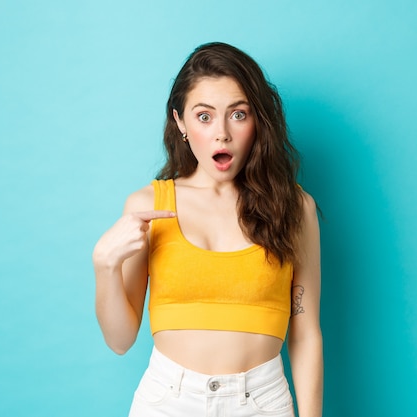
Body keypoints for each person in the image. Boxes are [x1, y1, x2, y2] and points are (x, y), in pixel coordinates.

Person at [92, 42, 323, 417]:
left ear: (258, 120)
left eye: (238, 114)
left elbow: (306, 333)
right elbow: (120, 341)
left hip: (262, 402)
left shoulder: (295, 209)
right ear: (180, 122)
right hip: (167, 401)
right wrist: (104, 266)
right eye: (204, 116)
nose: (222, 134)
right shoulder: (147, 207)